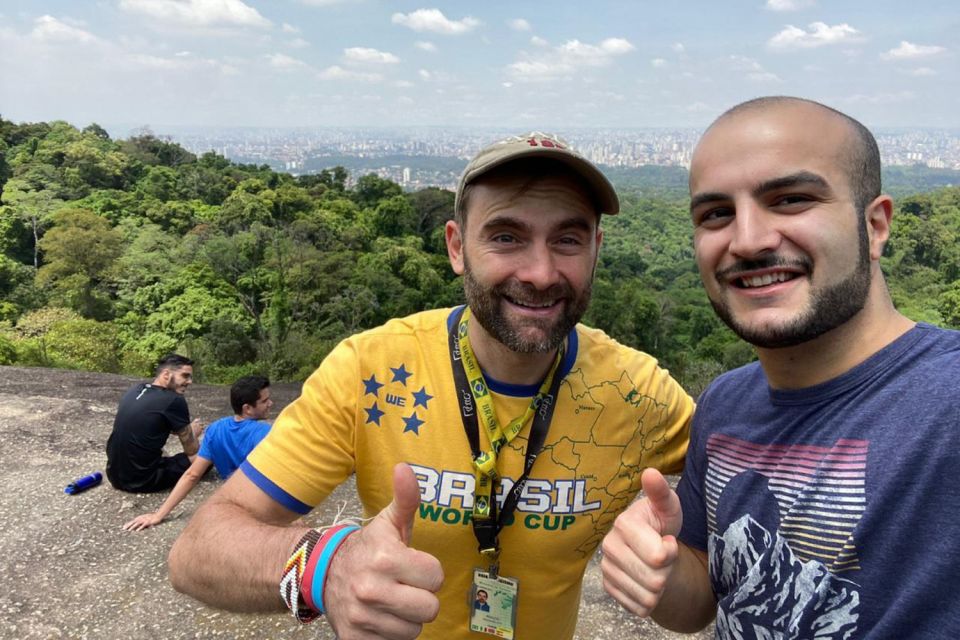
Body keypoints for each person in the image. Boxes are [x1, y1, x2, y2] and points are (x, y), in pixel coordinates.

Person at [167, 132, 694, 640]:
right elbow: (196, 552)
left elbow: (756, 472)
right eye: (506, 237)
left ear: (597, 249)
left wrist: (670, 545)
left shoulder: (637, 392)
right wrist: (326, 567)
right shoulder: (369, 370)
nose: (540, 271)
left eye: (568, 239)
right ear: (457, 247)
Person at [600, 96, 960, 638]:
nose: (747, 241)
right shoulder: (724, 404)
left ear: (876, 225)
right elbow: (701, 605)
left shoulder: (947, 396)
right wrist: (663, 571)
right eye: (716, 214)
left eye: (791, 199)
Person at [122, 375, 274, 531]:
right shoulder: (266, 433)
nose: (270, 403)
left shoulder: (215, 428)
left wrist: (159, 514)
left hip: (233, 494)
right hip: (259, 501)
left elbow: (192, 474)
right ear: (247, 408)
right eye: (264, 401)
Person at [106, 353, 203, 493]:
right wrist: (193, 432)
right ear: (166, 374)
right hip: (143, 480)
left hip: (114, 475)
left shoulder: (136, 390)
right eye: (185, 376)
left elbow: (153, 422)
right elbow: (191, 450)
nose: (189, 381)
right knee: (206, 457)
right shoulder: (174, 400)